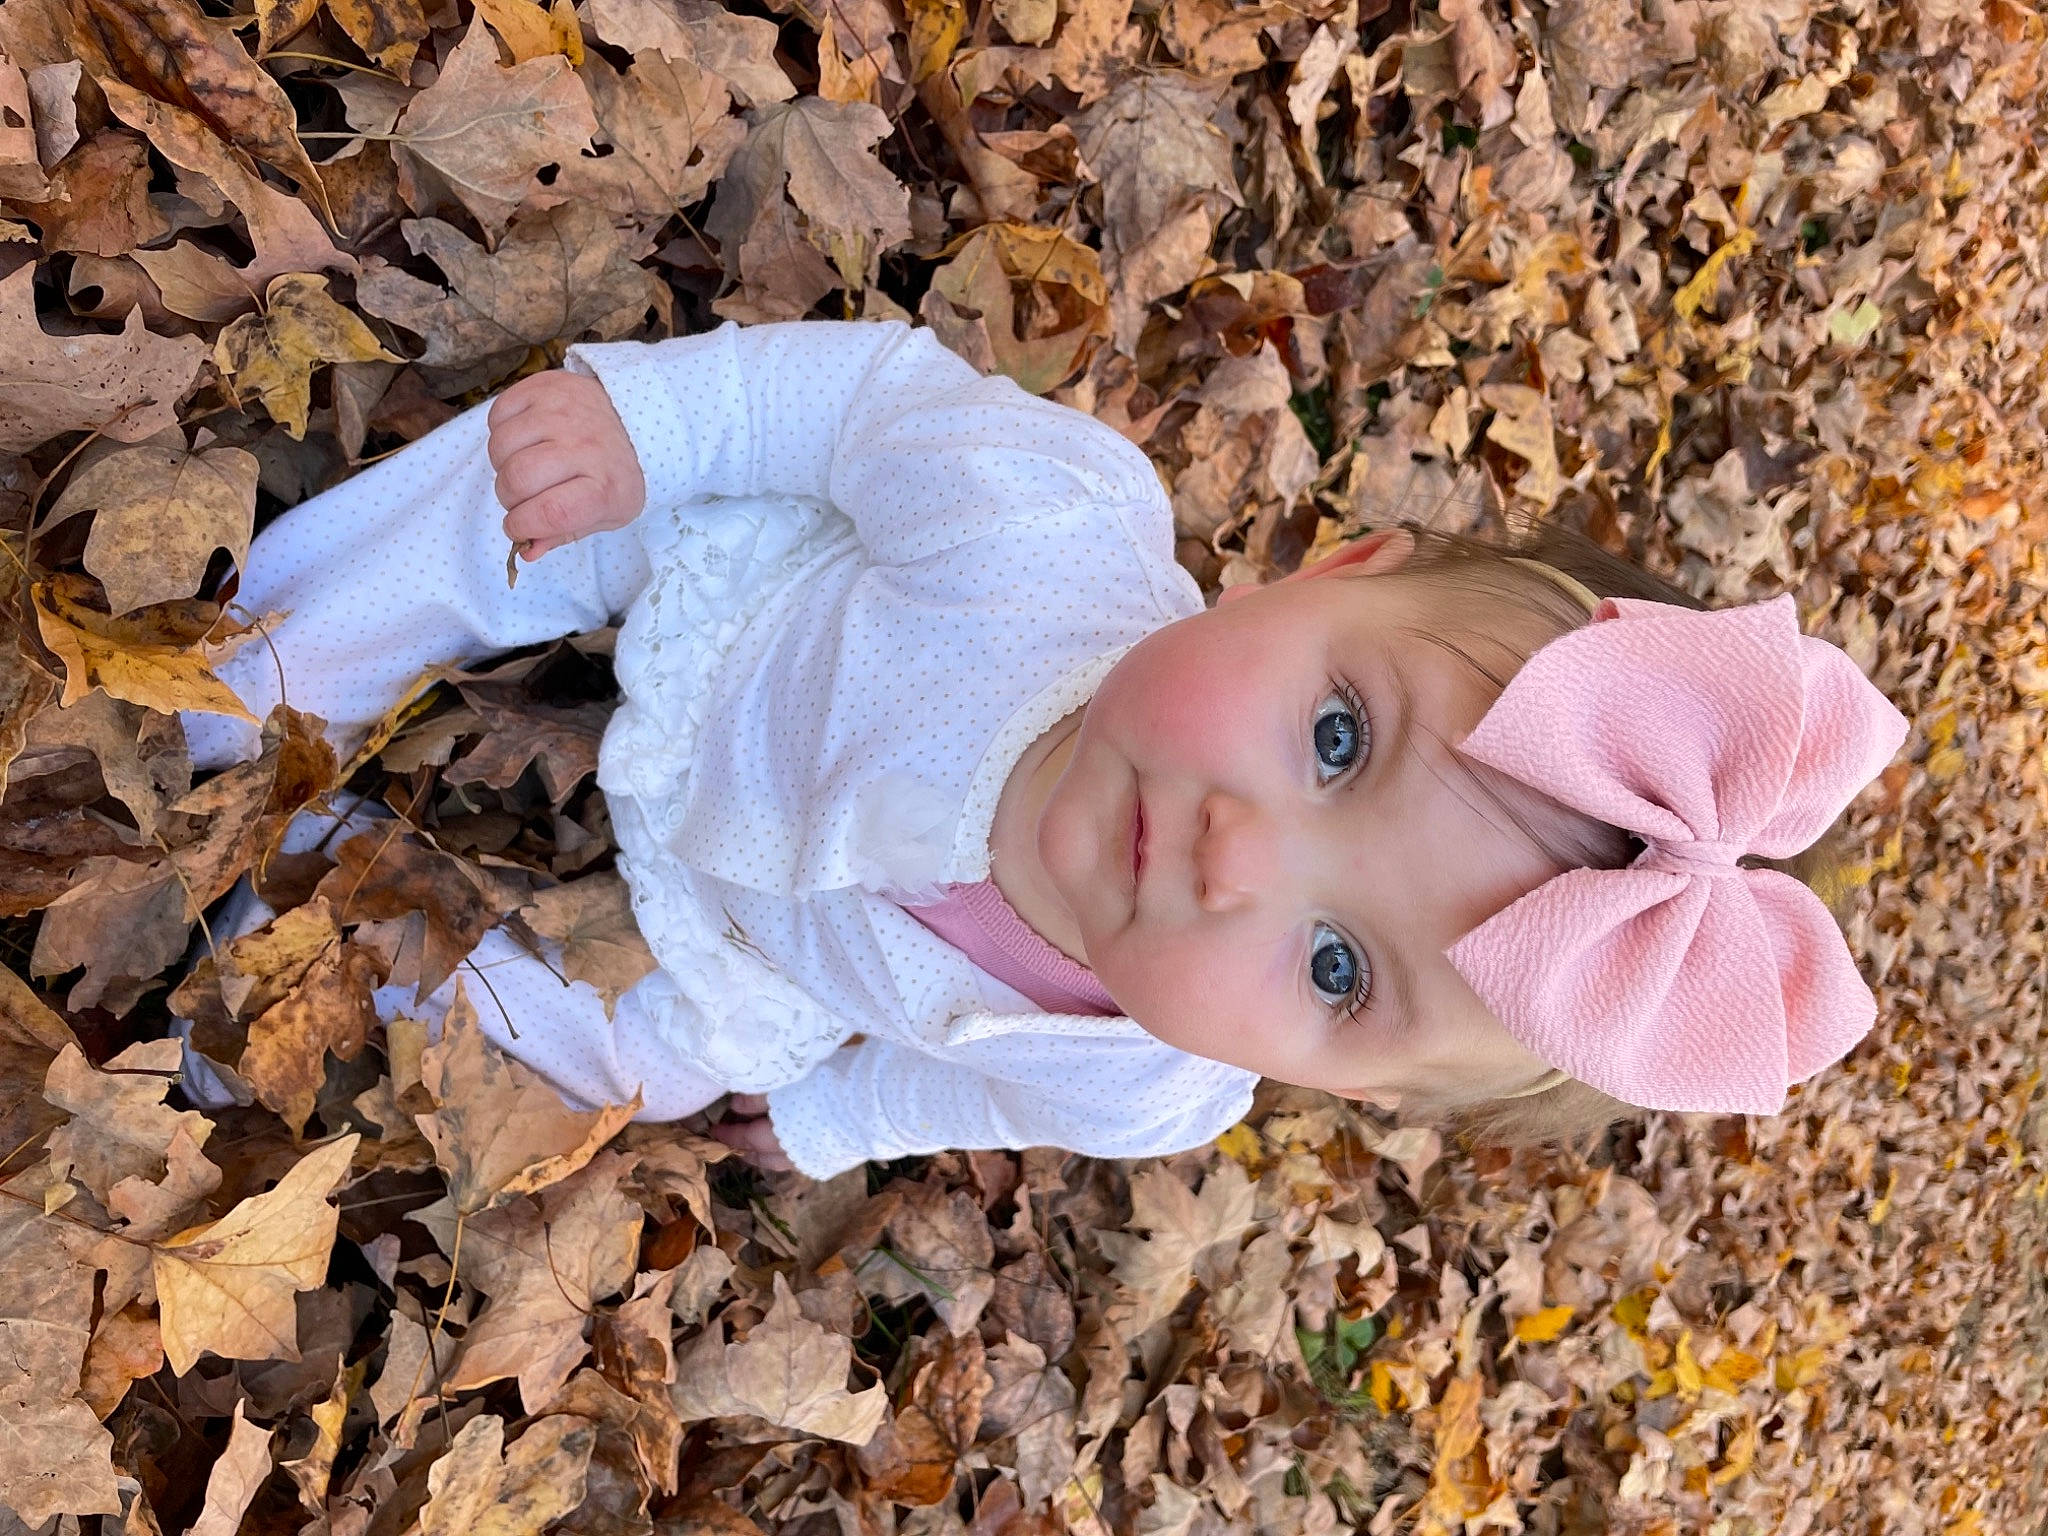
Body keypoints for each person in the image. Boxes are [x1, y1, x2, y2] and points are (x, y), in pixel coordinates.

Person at [181, 320, 1909, 1177]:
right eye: (1334, 738)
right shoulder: (1049, 538)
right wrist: (665, 428)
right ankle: (250, 676)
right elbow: (858, 408)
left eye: (1333, 964)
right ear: (1337, 573)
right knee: (534, 496)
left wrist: (831, 1116)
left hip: (749, 948)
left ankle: (295, 936)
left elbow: (958, 1087)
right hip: (736, 628)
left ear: (1348, 1091)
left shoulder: (1147, 1084)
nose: (1238, 856)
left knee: (608, 1074)